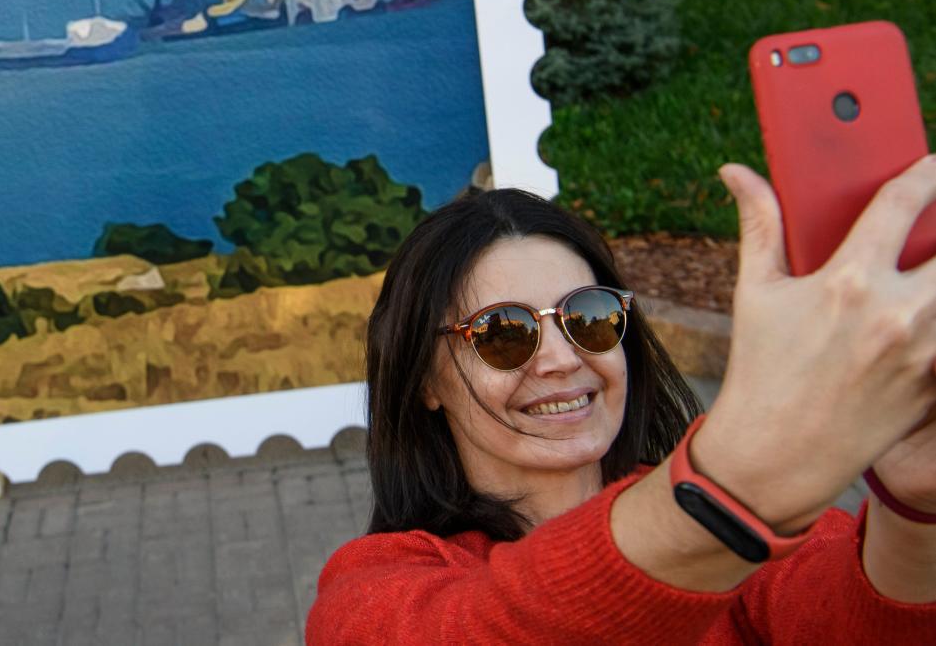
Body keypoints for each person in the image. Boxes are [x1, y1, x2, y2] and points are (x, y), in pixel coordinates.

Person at [306, 158, 936, 643]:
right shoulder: (375, 594)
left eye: (589, 316)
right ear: (423, 380)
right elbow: (496, 625)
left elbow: (852, 620)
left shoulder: (767, 540)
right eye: (503, 332)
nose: (561, 356)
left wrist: (912, 506)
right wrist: (736, 477)